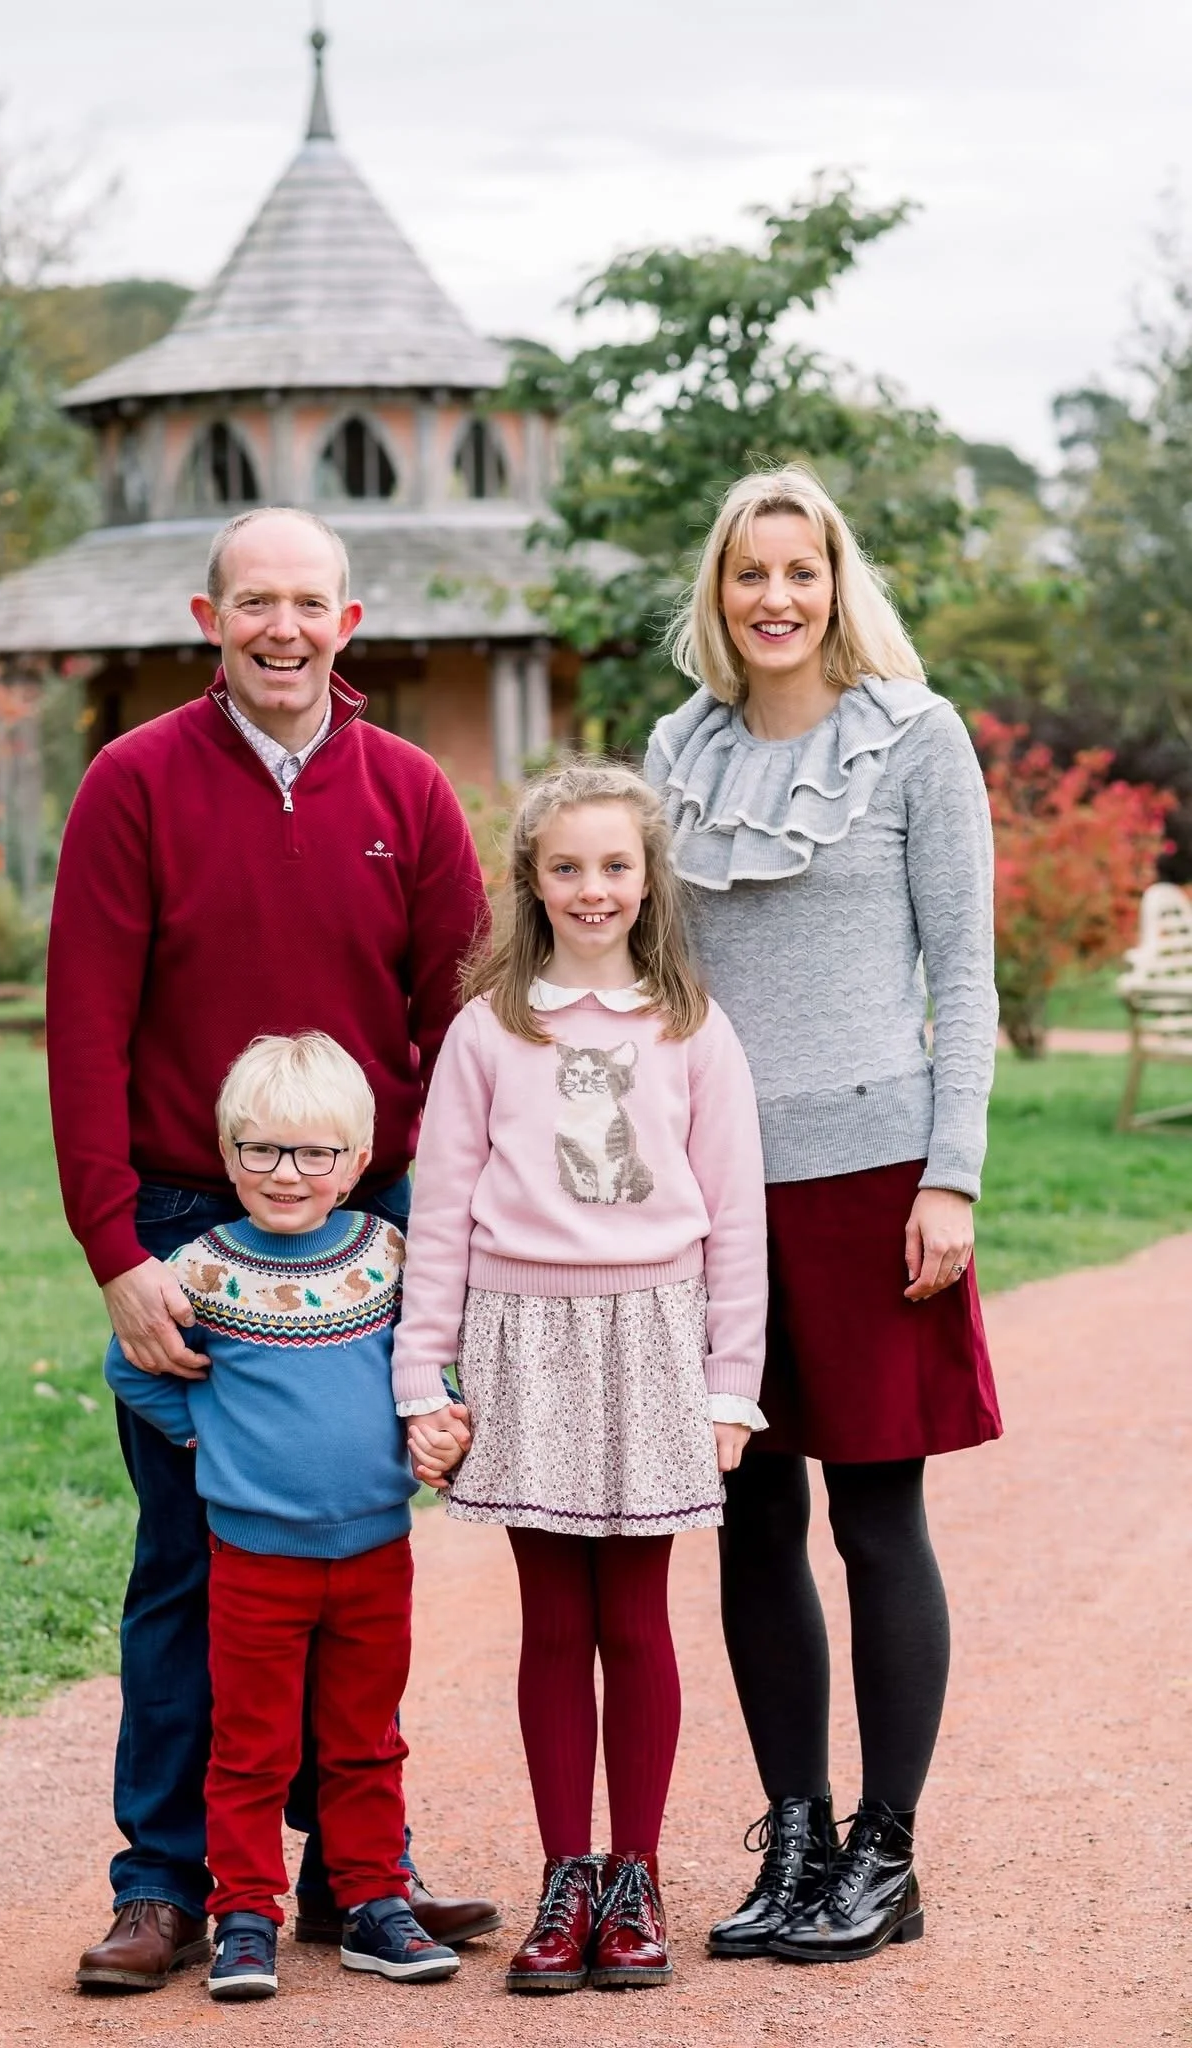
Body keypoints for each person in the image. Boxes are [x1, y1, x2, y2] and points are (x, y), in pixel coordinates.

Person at [46, 507, 497, 1993]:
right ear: (209, 615)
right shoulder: (135, 784)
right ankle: (167, 1883)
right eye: (256, 603)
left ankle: (353, 1873)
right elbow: (85, 1032)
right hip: (189, 1224)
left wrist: (430, 1218)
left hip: (373, 1226)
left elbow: (461, 1025)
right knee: (192, 1559)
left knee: (348, 1540)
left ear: (348, 623)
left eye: (309, 603)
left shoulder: (408, 791)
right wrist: (116, 1248)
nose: (283, 628)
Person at [645, 463, 1001, 1964]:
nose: (773, 597)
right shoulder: (672, 752)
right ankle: (790, 1833)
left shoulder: (916, 744)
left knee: (871, 1513)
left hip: (872, 1181)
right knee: (742, 1514)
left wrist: (952, 1173)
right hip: (709, 1186)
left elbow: (963, 977)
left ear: (837, 583)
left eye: (799, 570)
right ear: (717, 596)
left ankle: (883, 1852)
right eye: (747, 574)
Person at [392, 760, 769, 1994]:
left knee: (635, 1615)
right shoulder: (488, 1026)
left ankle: (637, 1873)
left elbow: (733, 1220)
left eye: (614, 865)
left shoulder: (691, 1026)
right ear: (530, 880)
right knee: (553, 1619)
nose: (591, 887)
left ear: (647, 876)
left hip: (653, 1338)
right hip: (521, 1340)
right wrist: (419, 1376)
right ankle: (566, 1876)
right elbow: (440, 1212)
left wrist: (729, 1384)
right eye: (566, 867)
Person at [105, 1033, 461, 2000]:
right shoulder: (204, 1266)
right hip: (255, 1559)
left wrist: (440, 1415)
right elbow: (126, 1364)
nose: (285, 1173)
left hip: (376, 1553)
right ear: (226, 1158)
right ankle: (245, 1917)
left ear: (354, 1165)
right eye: (259, 1150)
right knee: (252, 1745)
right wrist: (207, 1438)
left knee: (363, 1739)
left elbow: (432, 1353)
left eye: (312, 1153)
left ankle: (372, 1902)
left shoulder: (387, 1253)